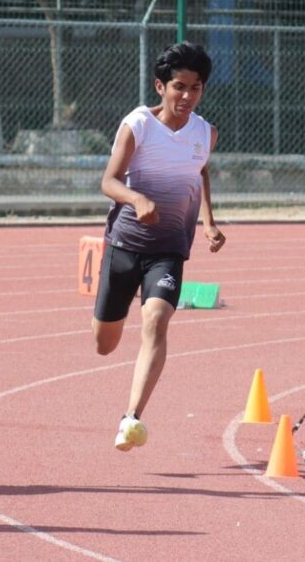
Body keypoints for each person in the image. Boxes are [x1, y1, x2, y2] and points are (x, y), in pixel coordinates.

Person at [92, 41, 226, 451]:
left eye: (196, 88)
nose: (187, 97)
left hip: (169, 248)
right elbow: (108, 181)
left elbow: (199, 171)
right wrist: (137, 199)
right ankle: (112, 317)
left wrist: (208, 221)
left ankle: (131, 417)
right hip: (124, 244)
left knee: (156, 321)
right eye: (179, 87)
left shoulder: (206, 133)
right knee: (104, 344)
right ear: (160, 87)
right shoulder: (138, 126)